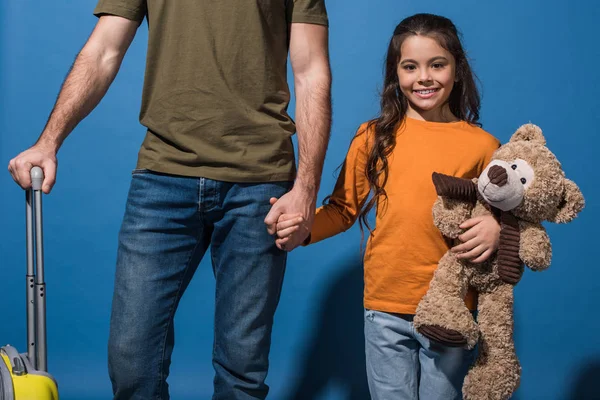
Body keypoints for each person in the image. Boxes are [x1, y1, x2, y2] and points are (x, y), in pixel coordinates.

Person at [7, 1, 331, 399]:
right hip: (162, 179)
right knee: (131, 361)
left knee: (242, 367)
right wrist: (49, 141)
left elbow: (310, 71)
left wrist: (306, 189)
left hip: (260, 184)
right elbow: (103, 50)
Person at [271, 13, 501, 400]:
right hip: (384, 305)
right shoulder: (373, 136)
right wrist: (301, 228)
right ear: (396, 74)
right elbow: (343, 210)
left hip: (450, 307)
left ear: (457, 70)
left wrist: (495, 228)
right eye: (410, 67)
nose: (423, 77)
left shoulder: (483, 146)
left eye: (437, 65)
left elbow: (502, 216)